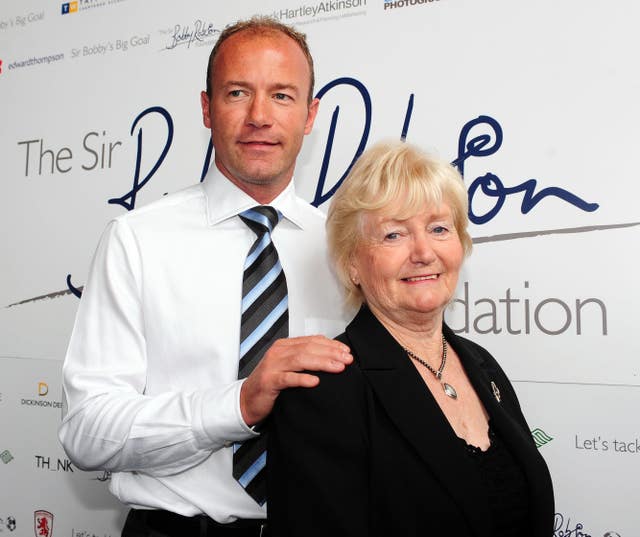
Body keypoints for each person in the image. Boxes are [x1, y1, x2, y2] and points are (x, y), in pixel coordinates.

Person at [58, 16, 354, 537]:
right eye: (238, 92)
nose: (260, 116)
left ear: (310, 116)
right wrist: (237, 404)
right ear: (206, 108)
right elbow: (87, 432)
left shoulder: (347, 249)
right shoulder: (137, 241)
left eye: (282, 96)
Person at [267, 141, 555, 536]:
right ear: (352, 263)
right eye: (393, 235)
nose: (423, 252)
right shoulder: (323, 391)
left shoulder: (482, 365)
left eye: (438, 228)